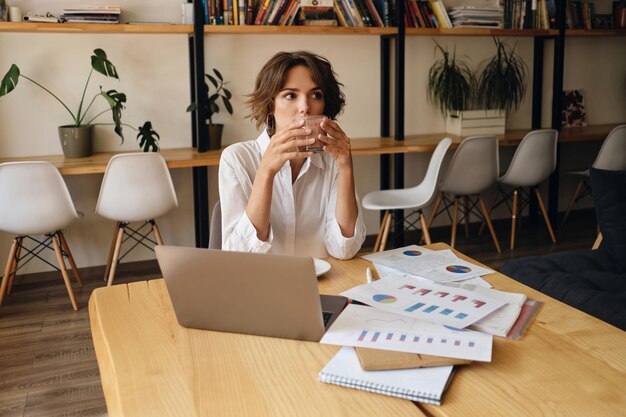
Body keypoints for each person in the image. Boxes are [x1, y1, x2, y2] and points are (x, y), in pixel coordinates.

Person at [219, 51, 366, 259]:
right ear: (270, 105)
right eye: (290, 95)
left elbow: (344, 249)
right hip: (260, 285)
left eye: (316, 95)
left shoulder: (332, 160)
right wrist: (266, 172)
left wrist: (346, 167)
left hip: (322, 284)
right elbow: (238, 256)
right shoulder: (237, 159)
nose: (305, 107)